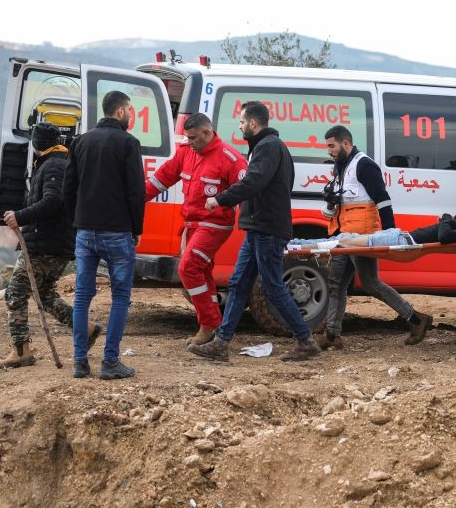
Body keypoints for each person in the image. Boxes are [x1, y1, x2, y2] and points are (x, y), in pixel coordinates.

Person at [188, 101, 318, 362]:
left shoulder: (268, 147)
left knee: (272, 286)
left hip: (267, 229)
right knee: (238, 284)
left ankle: (306, 341)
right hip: (258, 227)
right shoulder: (266, 146)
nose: (239, 126)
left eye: (242, 122)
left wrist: (221, 198)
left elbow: (253, 182)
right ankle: (221, 344)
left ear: (253, 123)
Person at [315, 125, 433, 351]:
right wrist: (330, 203)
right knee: (335, 284)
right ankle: (331, 335)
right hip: (343, 236)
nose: (328, 151)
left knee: (370, 283)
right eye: (327, 146)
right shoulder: (340, 167)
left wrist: (390, 235)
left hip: (362, 237)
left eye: (332, 146)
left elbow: (383, 200)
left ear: (346, 143)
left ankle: (416, 319)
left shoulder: (364, 165)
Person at [0, 122, 100, 368]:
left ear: (37, 143)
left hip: (44, 244)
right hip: (54, 243)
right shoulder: (56, 162)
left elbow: (53, 201)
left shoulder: (54, 165)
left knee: (15, 293)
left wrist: (20, 216)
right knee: (44, 294)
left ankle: (21, 350)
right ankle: (85, 329)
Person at [145, 113, 247, 346]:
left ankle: (208, 323)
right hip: (191, 224)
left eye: (193, 138)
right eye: (187, 137)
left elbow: (246, 191)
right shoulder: (185, 152)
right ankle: (214, 323)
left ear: (207, 133)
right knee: (201, 270)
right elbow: (161, 179)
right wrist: (133, 199)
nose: (189, 141)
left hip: (215, 224)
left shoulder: (230, 158)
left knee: (188, 267)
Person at [63, 90, 145, 380]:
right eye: (130, 110)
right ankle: (110, 361)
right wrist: (137, 228)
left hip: (85, 231)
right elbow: (136, 192)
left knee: (82, 297)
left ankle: (79, 362)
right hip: (118, 232)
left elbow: (68, 188)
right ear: (120, 112)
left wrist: (77, 221)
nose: (131, 115)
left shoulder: (80, 141)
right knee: (120, 296)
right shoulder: (128, 143)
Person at [290, 192, 456, 250]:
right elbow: (453, 225)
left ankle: (295, 245)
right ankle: (295, 243)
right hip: (400, 237)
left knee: (342, 242)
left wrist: (446, 218)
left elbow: (445, 235)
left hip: (401, 241)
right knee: (344, 238)